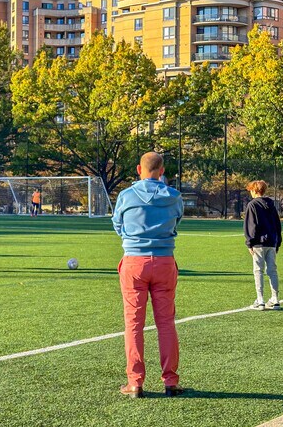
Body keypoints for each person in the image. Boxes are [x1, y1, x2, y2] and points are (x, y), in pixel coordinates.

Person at [112, 152, 184, 399]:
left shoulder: (126, 195)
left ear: (138, 169)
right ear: (162, 170)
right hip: (164, 261)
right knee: (166, 323)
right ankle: (170, 381)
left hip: (134, 262)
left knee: (133, 324)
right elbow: (176, 223)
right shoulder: (174, 197)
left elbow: (118, 225)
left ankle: (135, 382)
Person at [244, 180, 282, 311]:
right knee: (272, 270)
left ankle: (260, 300)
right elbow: (277, 224)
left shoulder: (252, 205)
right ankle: (275, 299)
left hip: (258, 244)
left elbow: (251, 226)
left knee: (258, 270)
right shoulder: (271, 204)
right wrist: (278, 242)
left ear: (254, 190)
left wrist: (249, 243)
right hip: (271, 242)